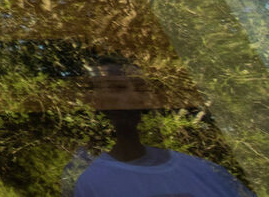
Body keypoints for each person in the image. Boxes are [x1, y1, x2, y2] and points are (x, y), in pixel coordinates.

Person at [70, 64, 257, 197]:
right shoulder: (92, 183)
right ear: (96, 103)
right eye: (111, 89)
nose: (123, 98)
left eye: (137, 88)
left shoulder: (208, 173)